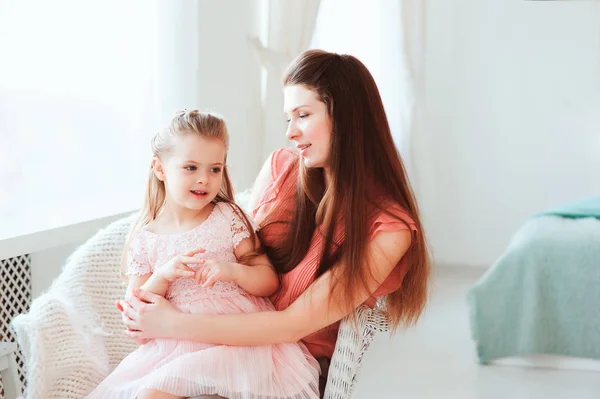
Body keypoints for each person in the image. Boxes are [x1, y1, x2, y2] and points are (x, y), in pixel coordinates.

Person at [119, 49, 431, 396]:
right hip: (211, 342)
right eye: (288, 118)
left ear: (346, 117)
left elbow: (290, 326)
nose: (291, 133)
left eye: (303, 115)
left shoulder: (389, 230)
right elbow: (237, 255)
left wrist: (174, 324)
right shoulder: (282, 167)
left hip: (282, 367)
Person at [87, 110, 320, 399]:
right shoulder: (145, 238)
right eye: (190, 168)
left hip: (233, 344)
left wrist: (233, 271)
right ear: (160, 169)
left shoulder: (228, 216)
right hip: (176, 348)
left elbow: (269, 281)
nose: (204, 180)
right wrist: (163, 276)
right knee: (150, 395)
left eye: (214, 169)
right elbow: (138, 317)